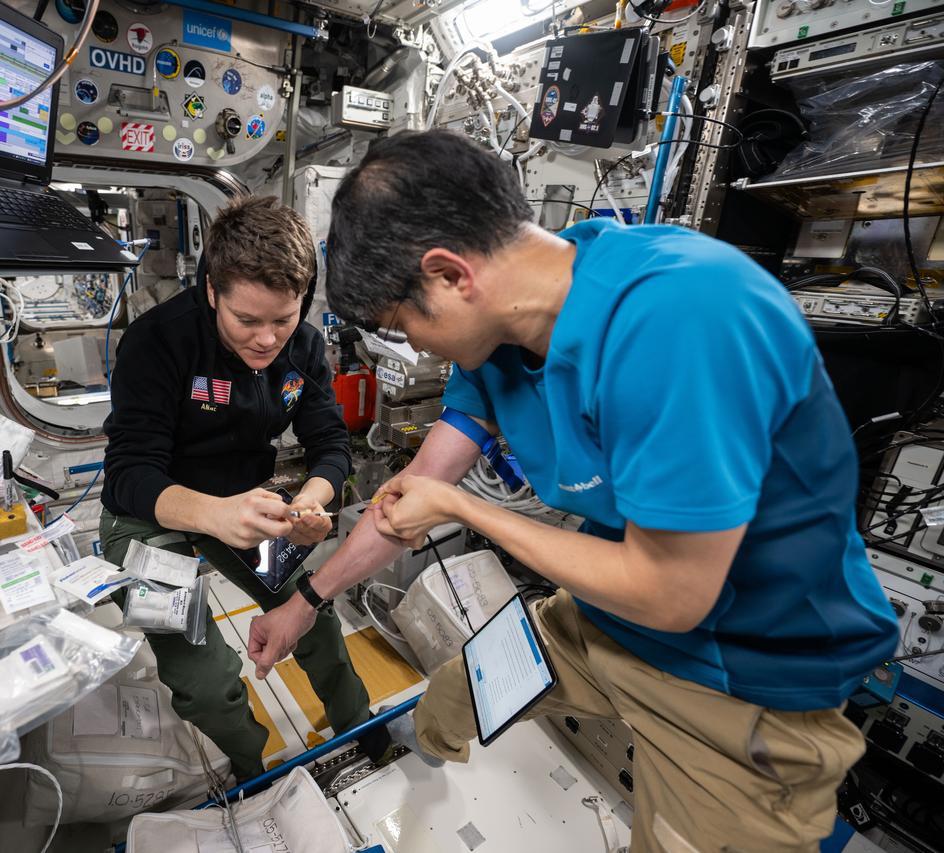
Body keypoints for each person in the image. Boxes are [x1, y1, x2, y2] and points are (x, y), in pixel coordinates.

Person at [247, 130, 898, 851]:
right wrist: (305, 603)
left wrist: (467, 509)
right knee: (457, 694)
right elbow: (413, 492)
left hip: (740, 678)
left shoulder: (680, 314)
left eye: (404, 326)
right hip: (604, 619)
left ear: (449, 274)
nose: (416, 349)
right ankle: (410, 754)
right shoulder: (497, 344)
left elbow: (673, 594)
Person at [100, 195, 390, 783]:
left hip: (250, 508)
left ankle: (368, 738)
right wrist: (211, 514)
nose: (266, 339)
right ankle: (253, 776)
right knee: (206, 679)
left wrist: (312, 499)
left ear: (303, 299)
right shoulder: (158, 343)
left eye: (282, 319)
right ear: (212, 290)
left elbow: (331, 445)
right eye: (247, 320)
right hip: (151, 514)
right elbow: (130, 474)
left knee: (315, 622)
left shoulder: (303, 348)